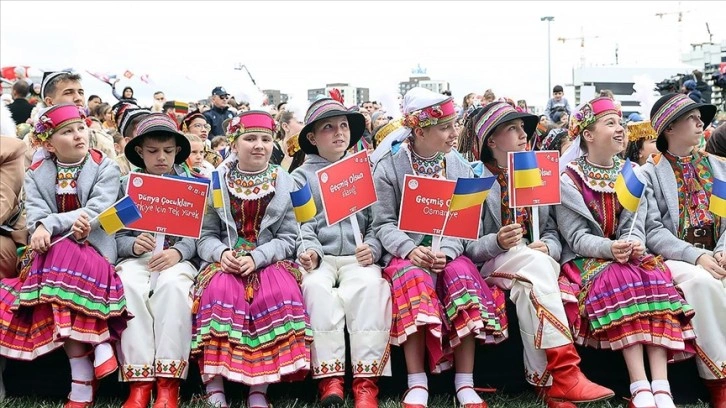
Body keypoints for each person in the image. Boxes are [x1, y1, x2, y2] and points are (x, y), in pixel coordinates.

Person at [464, 102, 613, 407]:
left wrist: (548, 247)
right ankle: (568, 371)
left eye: (524, 129)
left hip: (531, 265)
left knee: (528, 285)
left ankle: (546, 384)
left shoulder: (535, 173)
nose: (523, 135)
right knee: (535, 267)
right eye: (513, 129)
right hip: (491, 264)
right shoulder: (473, 180)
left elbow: (551, 232)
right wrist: (497, 241)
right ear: (491, 141)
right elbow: (467, 247)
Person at [371, 87, 507, 408]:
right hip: (408, 254)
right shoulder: (389, 166)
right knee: (412, 278)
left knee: (461, 274)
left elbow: (465, 223)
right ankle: (417, 381)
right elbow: (382, 223)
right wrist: (409, 249)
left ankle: (465, 381)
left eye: (454, 125)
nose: (453, 133)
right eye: (445, 127)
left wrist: (446, 249)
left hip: (448, 251)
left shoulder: (458, 165)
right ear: (419, 130)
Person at [557, 97, 696, 408]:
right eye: (611, 124)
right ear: (588, 135)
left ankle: (661, 385)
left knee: (655, 274)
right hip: (588, 259)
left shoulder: (632, 172)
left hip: (627, 254)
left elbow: (638, 222)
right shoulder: (568, 180)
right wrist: (611, 248)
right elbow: (577, 237)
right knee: (622, 276)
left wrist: (632, 241)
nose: (621, 129)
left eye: (621, 123)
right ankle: (639, 384)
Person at [0, 104, 129, 408]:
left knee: (61, 251)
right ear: (48, 143)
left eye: (81, 128)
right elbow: (34, 217)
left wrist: (50, 225)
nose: (78, 136)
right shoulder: (36, 173)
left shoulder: (105, 167)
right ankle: (93, 351)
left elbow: (98, 210)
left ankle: (82, 381)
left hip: (95, 254)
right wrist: (42, 227)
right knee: (59, 257)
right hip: (51, 259)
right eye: (67, 132)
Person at [192, 111, 311, 408]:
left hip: (267, 260)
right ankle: (215, 387)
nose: (259, 145)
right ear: (234, 144)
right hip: (226, 260)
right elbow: (205, 235)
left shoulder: (286, 182)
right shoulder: (216, 182)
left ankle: (259, 389)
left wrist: (258, 257)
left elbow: (288, 238)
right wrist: (222, 254)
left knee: (276, 294)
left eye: (265, 139)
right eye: (250, 138)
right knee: (219, 292)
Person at [292, 98, 391, 408]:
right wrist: (309, 252)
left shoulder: (365, 170)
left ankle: (366, 383)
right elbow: (301, 226)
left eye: (344, 126)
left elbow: (378, 222)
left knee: (371, 287)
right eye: (328, 127)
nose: (339, 133)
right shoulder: (300, 177)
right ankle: (329, 381)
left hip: (357, 256)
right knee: (315, 288)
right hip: (321, 257)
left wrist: (372, 248)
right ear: (311, 137)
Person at [641, 93, 726, 408]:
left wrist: (721, 249)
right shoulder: (648, 173)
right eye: (691, 117)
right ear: (669, 128)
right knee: (702, 283)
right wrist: (697, 256)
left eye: (699, 116)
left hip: (716, 252)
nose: (700, 122)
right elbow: (653, 231)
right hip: (676, 258)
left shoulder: (719, 167)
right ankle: (719, 382)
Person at [114, 113, 198, 408]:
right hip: (139, 259)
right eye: (152, 151)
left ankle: (168, 382)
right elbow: (115, 235)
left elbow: (201, 233)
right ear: (139, 151)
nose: (161, 157)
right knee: (126, 285)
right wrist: (134, 245)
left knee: (173, 290)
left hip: (177, 259)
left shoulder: (192, 185)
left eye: (168, 150)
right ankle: (139, 381)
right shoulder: (127, 186)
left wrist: (179, 252)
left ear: (177, 150)